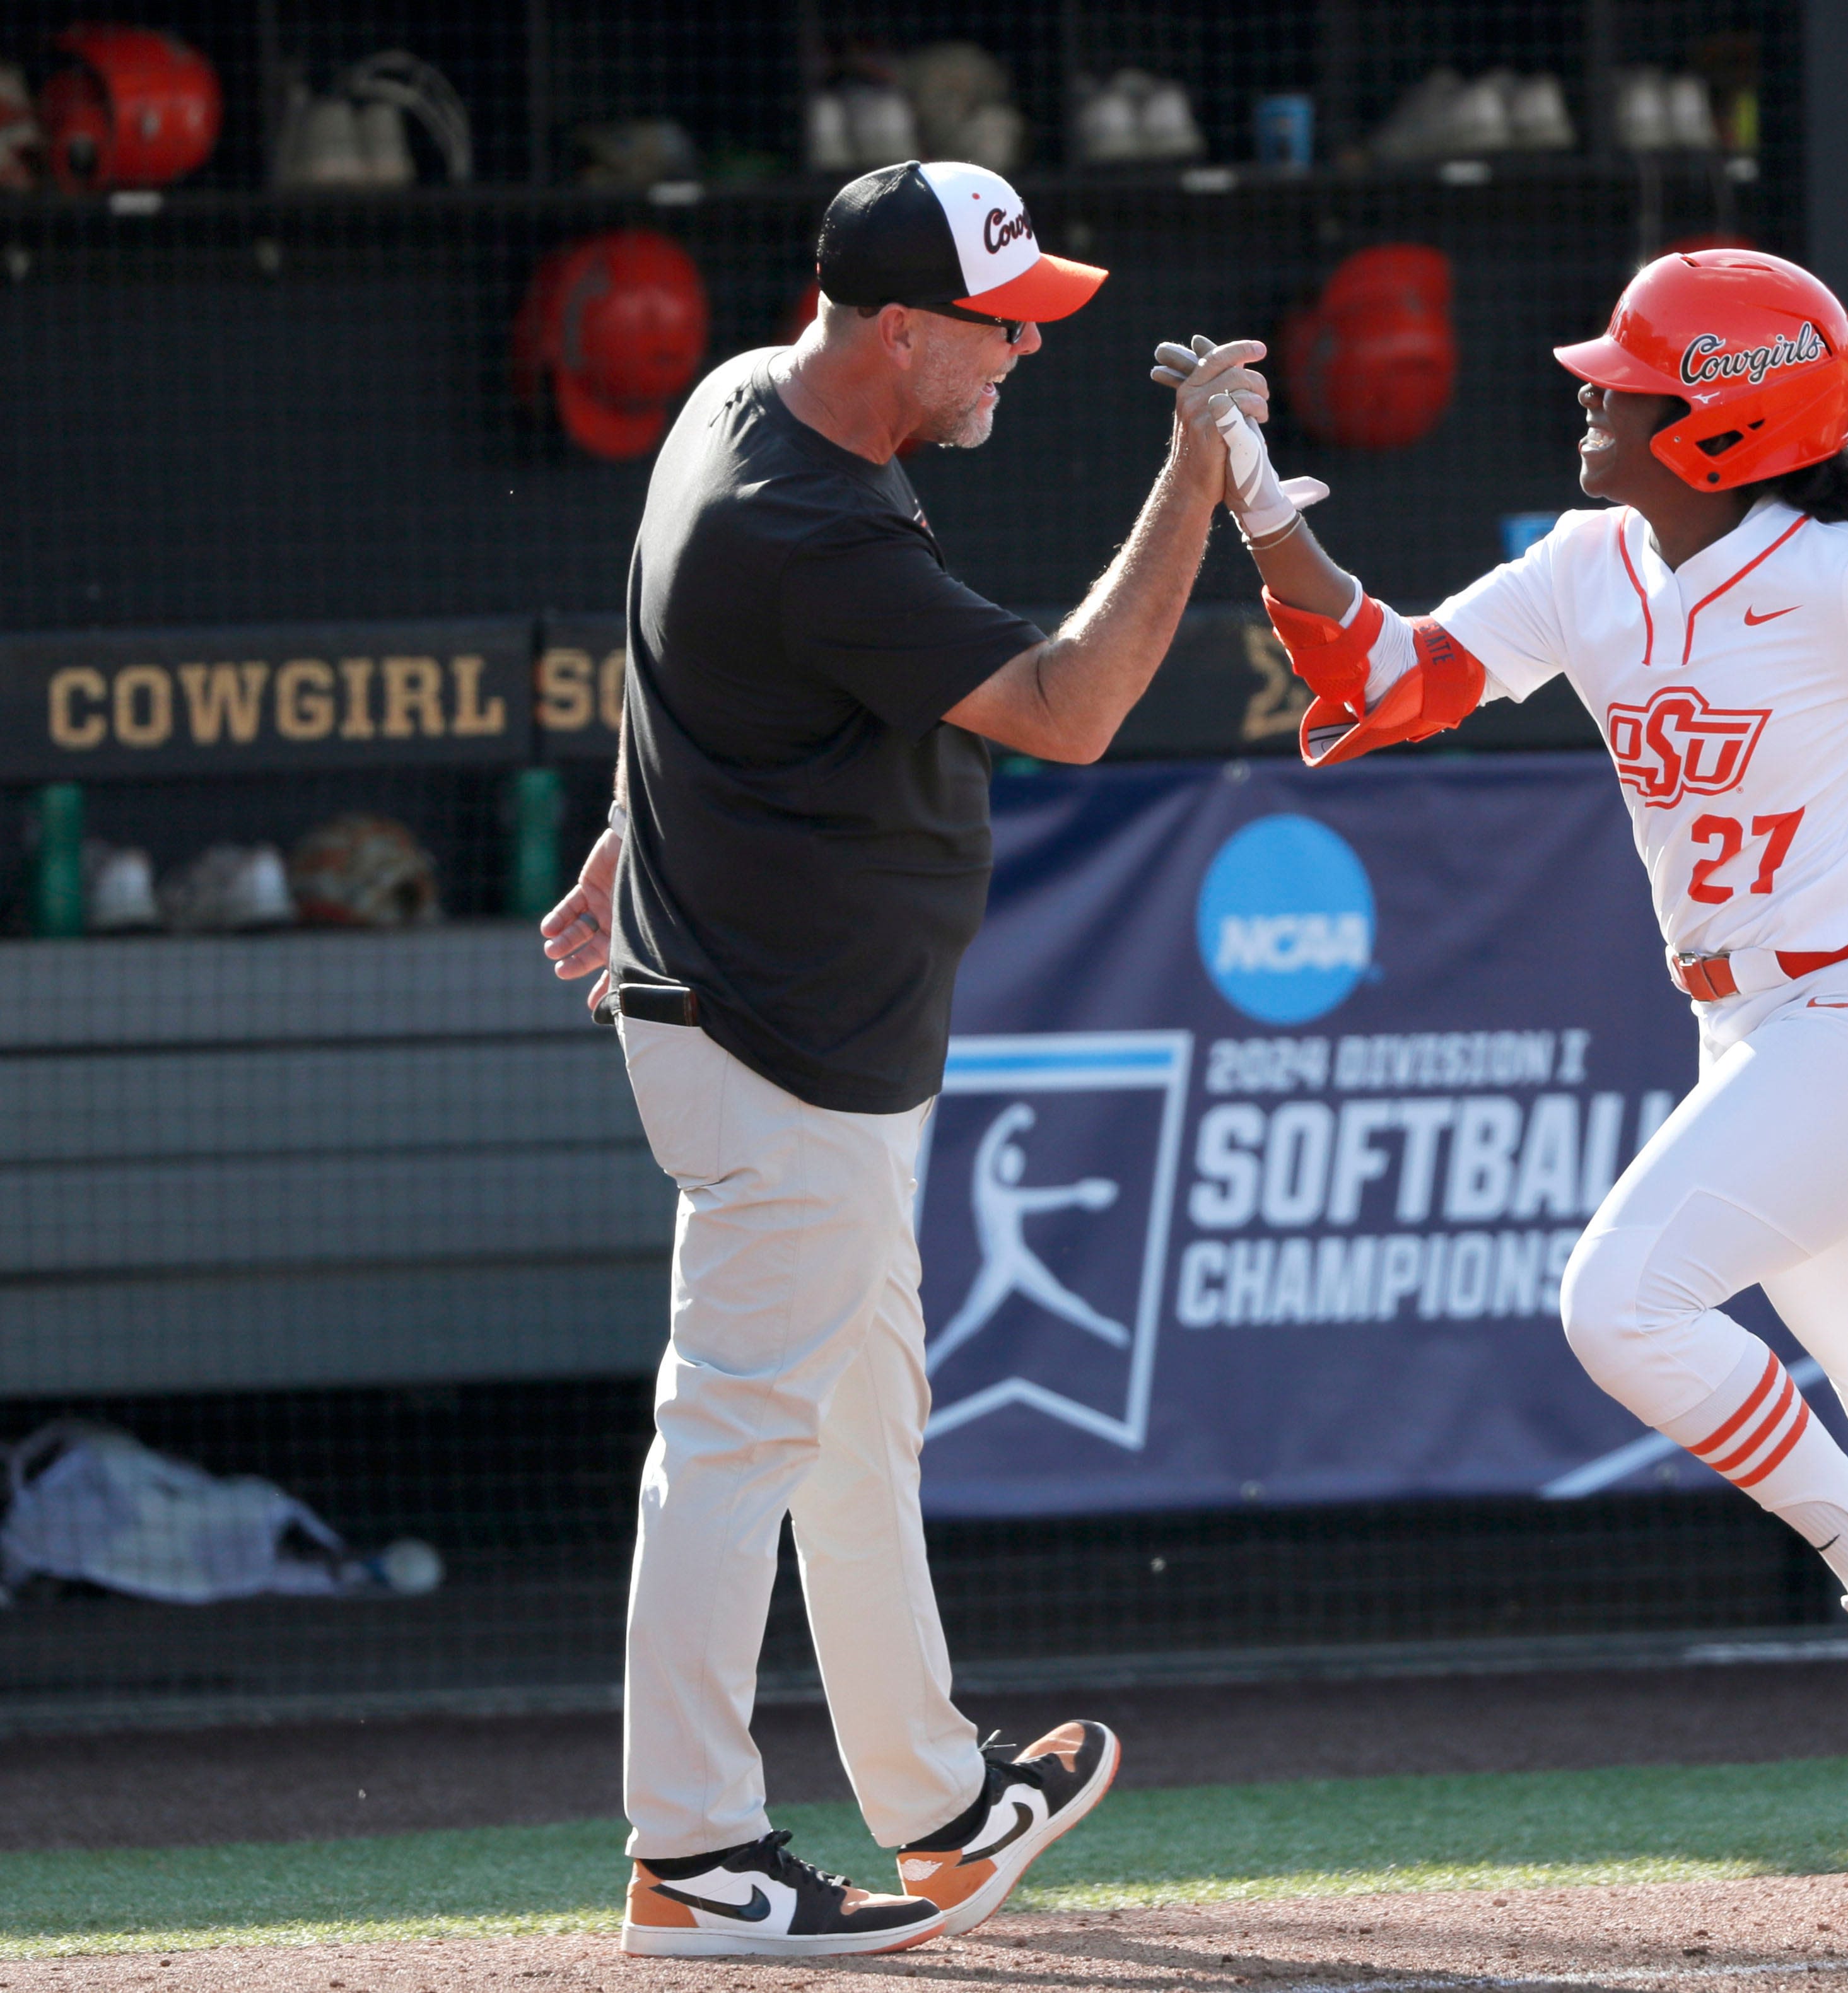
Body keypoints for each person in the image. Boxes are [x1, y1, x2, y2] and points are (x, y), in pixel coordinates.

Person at [1155, 248, 1848, 1928]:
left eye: (1631, 379)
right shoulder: (1586, 563)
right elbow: (1383, 679)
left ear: (1724, 423)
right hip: (1760, 1034)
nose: (1592, 391)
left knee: (1619, 1304)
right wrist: (1261, 510)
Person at [537, 160, 1271, 1960]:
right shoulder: (813, 521)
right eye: (999, 325)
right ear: (892, 328)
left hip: (796, 1026)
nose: (1025, 350)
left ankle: (934, 1800)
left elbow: (673, 662)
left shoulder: (743, 398)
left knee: (859, 1424)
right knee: (734, 1435)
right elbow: (1074, 712)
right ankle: (695, 1854)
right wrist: (1197, 474)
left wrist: (633, 834)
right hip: (771, 1044)